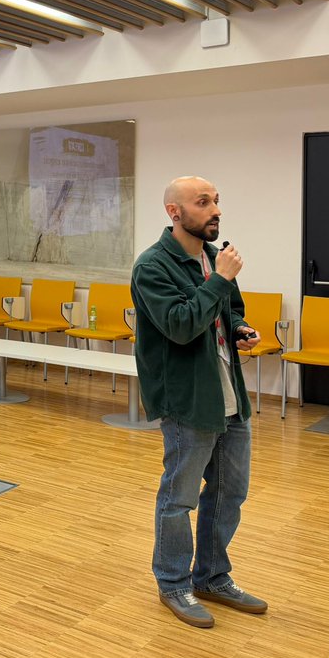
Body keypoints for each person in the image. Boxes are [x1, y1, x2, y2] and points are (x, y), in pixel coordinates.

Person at [130, 176, 266, 629]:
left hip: (227, 392)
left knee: (231, 492)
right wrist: (222, 279)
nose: (214, 211)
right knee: (179, 497)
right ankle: (173, 583)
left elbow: (230, 309)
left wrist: (241, 328)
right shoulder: (153, 266)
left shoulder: (211, 258)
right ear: (174, 212)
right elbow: (181, 326)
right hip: (188, 399)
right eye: (202, 202)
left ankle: (211, 576)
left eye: (216, 202)